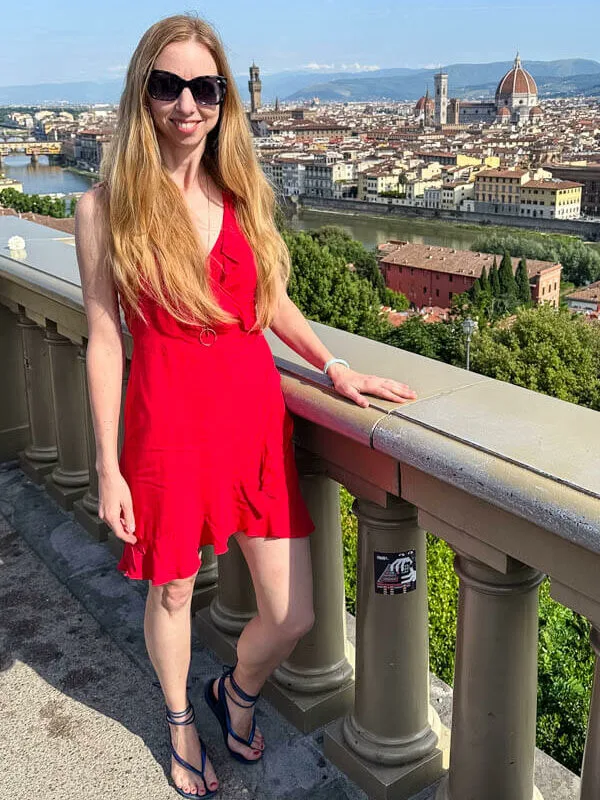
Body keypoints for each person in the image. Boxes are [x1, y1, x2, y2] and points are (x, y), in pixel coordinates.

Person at [75, 13, 416, 799]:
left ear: (226, 99)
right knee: (170, 589)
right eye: (168, 86)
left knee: (292, 616)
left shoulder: (241, 191)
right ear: (143, 94)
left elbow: (270, 302)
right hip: (164, 428)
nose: (186, 104)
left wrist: (333, 365)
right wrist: (108, 466)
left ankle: (234, 690)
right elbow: (102, 338)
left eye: (204, 87)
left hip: (253, 421)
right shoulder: (104, 209)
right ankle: (180, 724)